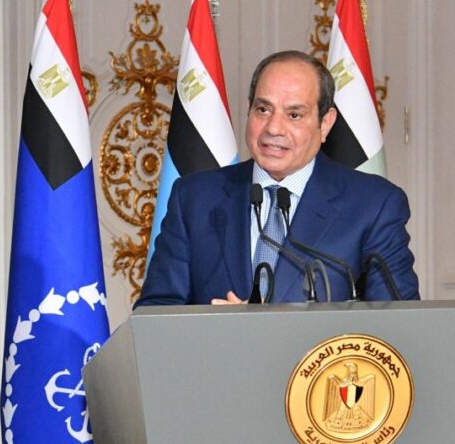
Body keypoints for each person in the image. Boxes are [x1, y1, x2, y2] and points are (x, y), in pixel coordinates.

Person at [135, 50, 418, 306]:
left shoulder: (373, 205)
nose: (273, 128)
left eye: (294, 115)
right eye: (263, 110)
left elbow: (394, 321)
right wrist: (218, 328)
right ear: (249, 109)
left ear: (325, 123)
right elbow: (156, 311)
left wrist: (274, 332)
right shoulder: (195, 198)